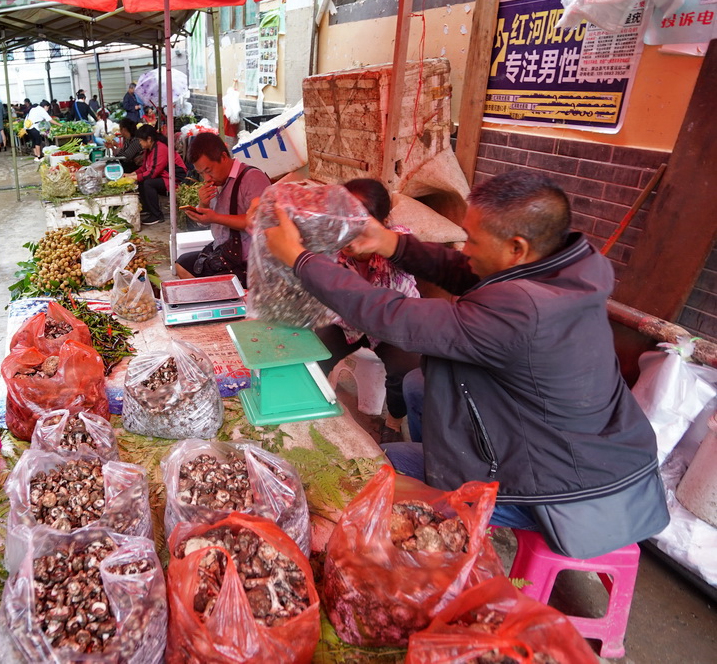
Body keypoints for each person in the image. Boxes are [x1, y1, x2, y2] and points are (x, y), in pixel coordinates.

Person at [265, 169, 669, 552]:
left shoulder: (525, 313)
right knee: (418, 385)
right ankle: (447, 474)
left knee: (384, 462)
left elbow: (393, 315)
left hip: (568, 497)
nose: (465, 249)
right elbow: (466, 272)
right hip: (589, 456)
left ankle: (450, 513)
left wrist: (301, 259)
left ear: (516, 247)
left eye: (472, 240)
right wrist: (390, 243)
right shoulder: (566, 268)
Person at [313, 179, 421, 443]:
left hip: (394, 326)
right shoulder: (334, 247)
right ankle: (316, 406)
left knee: (405, 371)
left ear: (380, 220)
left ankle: (394, 421)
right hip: (349, 323)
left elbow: (411, 255)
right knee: (312, 355)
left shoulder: (399, 241)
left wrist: (378, 244)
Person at [176, 132, 269, 284]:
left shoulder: (252, 178)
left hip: (246, 261)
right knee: (182, 264)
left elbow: (259, 221)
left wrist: (215, 217)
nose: (206, 178)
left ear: (224, 158)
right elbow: (206, 221)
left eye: (208, 170)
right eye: (201, 173)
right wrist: (203, 205)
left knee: (215, 285)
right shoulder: (217, 182)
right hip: (221, 251)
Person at [130, 124, 185, 226]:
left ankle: (157, 215)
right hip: (164, 177)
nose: (139, 143)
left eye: (141, 140)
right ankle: (148, 209)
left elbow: (152, 173)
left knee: (148, 183)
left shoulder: (160, 148)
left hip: (175, 178)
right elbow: (144, 168)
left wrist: (133, 177)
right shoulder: (149, 150)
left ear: (149, 139)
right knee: (142, 181)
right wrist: (130, 175)